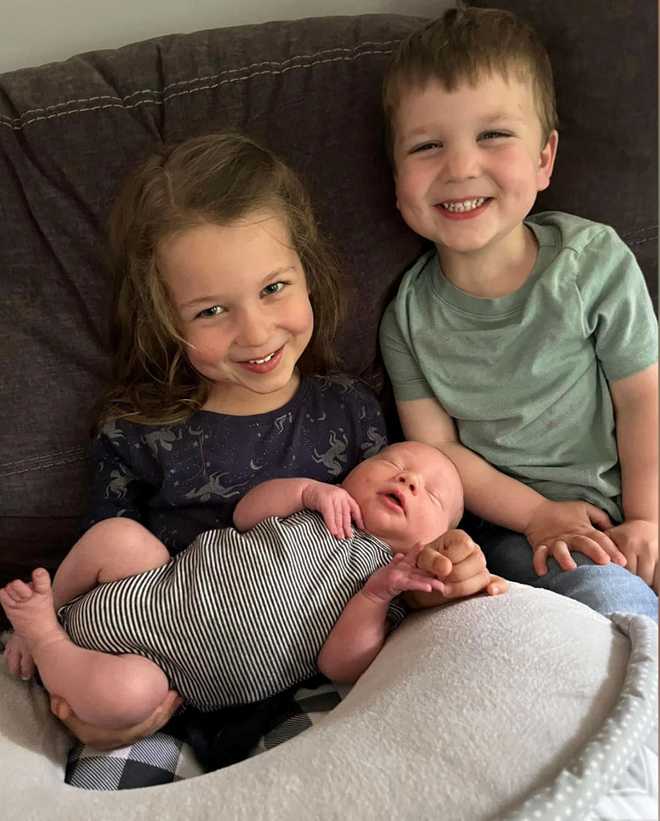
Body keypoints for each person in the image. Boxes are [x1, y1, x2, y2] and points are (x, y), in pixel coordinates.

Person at [2, 132, 499, 748]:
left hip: (289, 678)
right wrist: (64, 657)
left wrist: (443, 575)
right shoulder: (137, 428)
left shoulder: (348, 409)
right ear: (164, 319)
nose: (256, 331)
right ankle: (41, 636)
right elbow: (100, 553)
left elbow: (395, 533)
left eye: (273, 288)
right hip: (153, 663)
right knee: (123, 563)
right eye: (211, 311)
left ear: (307, 274)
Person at [379, 7, 658, 620]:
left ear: (544, 158)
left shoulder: (592, 262)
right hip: (515, 529)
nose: (460, 167)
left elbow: (642, 398)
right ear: (397, 180)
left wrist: (646, 519)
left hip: (641, 495)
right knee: (609, 602)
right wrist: (536, 516)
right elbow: (441, 454)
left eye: (493, 136)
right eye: (427, 146)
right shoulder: (407, 318)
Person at [0, 441, 505, 729]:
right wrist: (308, 490)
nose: (409, 480)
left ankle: (46, 640)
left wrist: (378, 594)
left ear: (433, 541)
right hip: (142, 583)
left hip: (154, 670)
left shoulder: (387, 585)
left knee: (133, 694)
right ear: (352, 475)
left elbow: (338, 665)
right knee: (123, 538)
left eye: (431, 494)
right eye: (393, 465)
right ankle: (46, 612)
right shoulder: (317, 509)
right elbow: (245, 513)